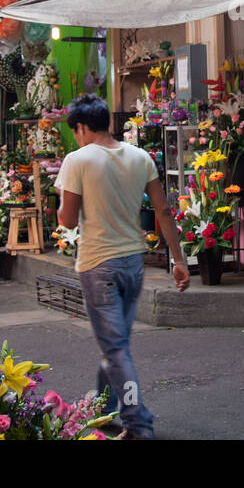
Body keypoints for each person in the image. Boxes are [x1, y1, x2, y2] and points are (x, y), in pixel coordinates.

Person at [55, 93, 189, 440]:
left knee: (114, 348)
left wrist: (62, 205)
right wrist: (178, 260)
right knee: (116, 345)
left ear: (81, 127)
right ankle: (103, 408)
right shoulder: (140, 157)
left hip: (98, 265)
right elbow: (163, 211)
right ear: (109, 122)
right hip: (134, 263)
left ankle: (138, 423)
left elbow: (67, 222)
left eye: (76, 131)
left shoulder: (77, 160)